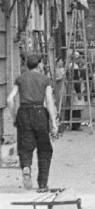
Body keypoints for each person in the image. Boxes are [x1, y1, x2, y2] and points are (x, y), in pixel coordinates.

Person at [7, 54, 58, 190]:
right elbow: (49, 101)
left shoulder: (20, 79)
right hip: (40, 112)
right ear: (39, 64)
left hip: (23, 112)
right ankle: (42, 183)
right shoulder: (45, 80)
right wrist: (53, 122)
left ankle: (26, 166)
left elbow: (10, 99)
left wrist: (14, 117)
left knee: (25, 145)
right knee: (44, 148)